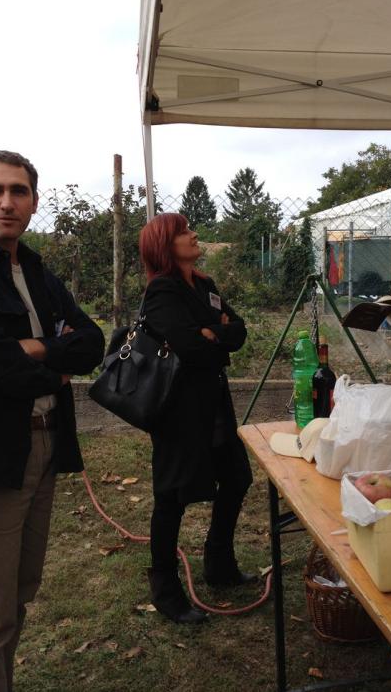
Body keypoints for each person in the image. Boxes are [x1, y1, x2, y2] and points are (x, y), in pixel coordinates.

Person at [0, 150, 105, 691]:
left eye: (18, 191)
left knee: (17, 594)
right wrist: (55, 361)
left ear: (34, 202)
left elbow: (92, 342)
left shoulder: (34, 270)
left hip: (45, 444)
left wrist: (33, 349)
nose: (6, 202)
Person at [138, 213, 254, 624]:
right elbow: (187, 347)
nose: (194, 234)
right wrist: (211, 334)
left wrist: (213, 334)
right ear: (165, 245)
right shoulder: (162, 291)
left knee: (237, 478)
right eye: (184, 232)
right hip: (179, 410)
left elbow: (239, 331)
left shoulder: (205, 285)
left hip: (215, 403)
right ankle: (165, 589)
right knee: (172, 496)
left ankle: (219, 565)